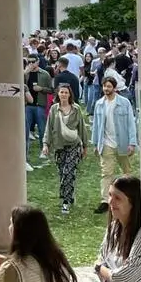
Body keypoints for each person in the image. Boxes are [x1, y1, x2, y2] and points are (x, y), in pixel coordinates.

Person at [91, 75, 137, 214]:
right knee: (106, 173)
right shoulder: (99, 104)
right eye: (105, 86)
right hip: (106, 143)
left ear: (114, 88)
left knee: (127, 172)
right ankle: (105, 200)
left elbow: (131, 122)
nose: (106, 89)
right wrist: (95, 144)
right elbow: (96, 125)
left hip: (122, 142)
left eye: (109, 86)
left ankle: (130, 196)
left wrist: (132, 142)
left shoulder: (124, 103)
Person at [42, 85, 89, 214]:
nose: (63, 94)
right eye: (61, 92)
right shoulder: (54, 109)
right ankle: (69, 194)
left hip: (74, 145)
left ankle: (65, 201)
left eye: (66, 92)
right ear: (58, 94)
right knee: (63, 173)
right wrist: (46, 144)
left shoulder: (76, 109)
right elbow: (48, 127)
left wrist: (85, 146)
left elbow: (82, 128)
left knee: (69, 172)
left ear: (69, 94)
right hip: (59, 146)